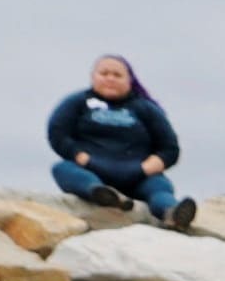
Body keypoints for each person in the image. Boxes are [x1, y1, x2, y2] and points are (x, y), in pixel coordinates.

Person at [46, 55, 194, 228]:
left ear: (129, 80)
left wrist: (147, 168)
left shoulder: (145, 108)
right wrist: (78, 155)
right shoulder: (78, 102)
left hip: (138, 174)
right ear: (93, 76)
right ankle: (104, 196)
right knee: (62, 169)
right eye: (104, 73)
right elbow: (58, 133)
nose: (110, 78)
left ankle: (173, 213)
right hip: (92, 168)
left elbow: (169, 148)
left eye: (117, 75)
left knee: (159, 187)